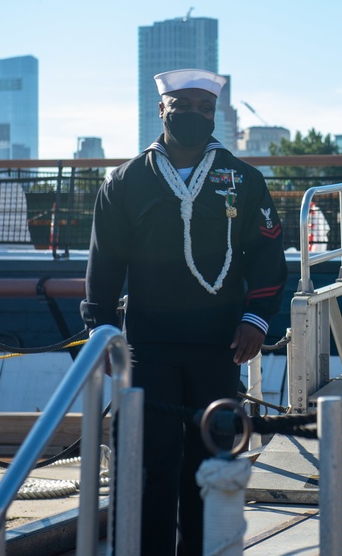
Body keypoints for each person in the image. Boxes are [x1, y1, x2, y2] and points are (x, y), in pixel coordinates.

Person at [81, 68, 288, 555]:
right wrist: (102, 330)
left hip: (220, 344)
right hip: (148, 346)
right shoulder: (125, 181)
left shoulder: (244, 179)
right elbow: (104, 261)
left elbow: (268, 254)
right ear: (162, 109)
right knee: (151, 461)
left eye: (205, 108)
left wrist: (257, 319)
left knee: (211, 458)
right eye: (184, 105)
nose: (195, 115)